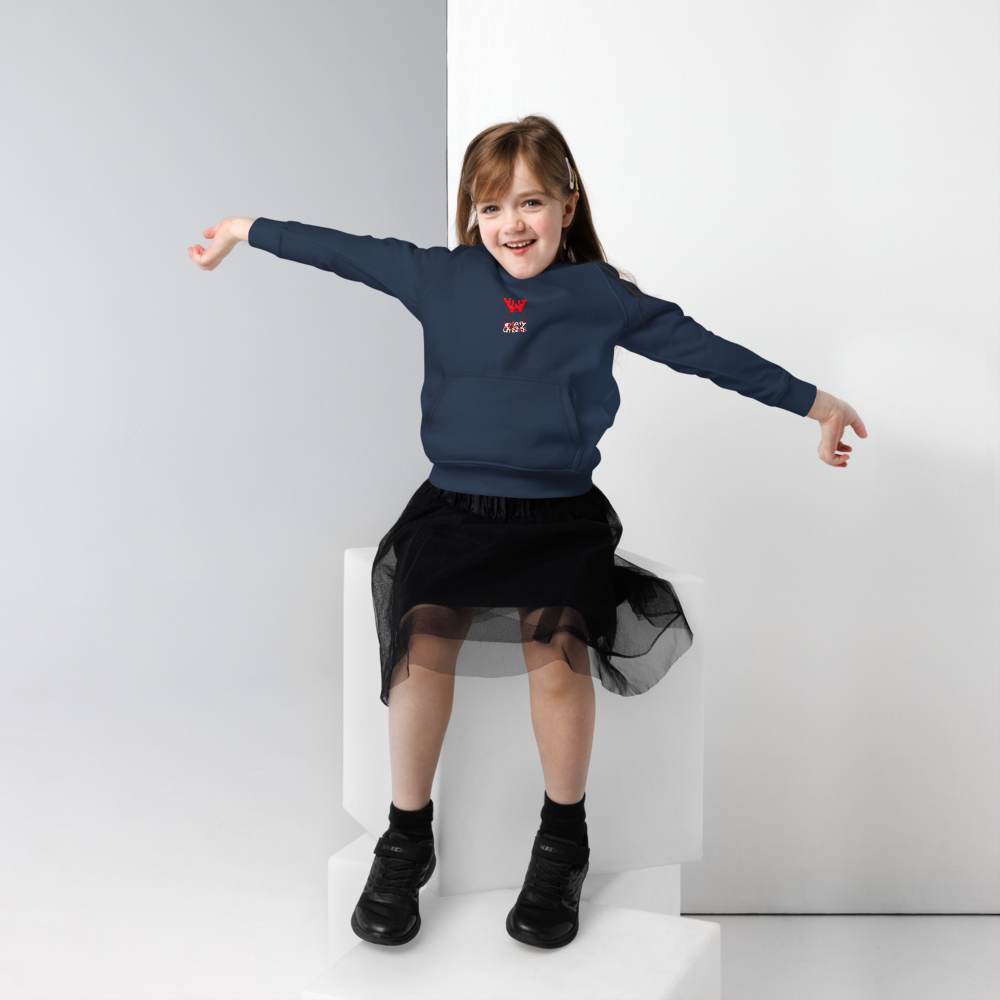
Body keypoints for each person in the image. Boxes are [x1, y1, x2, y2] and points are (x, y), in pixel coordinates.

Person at [188, 115, 865, 950]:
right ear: (472, 213)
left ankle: (562, 840)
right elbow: (345, 252)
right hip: (454, 511)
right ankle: (406, 837)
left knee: (559, 659)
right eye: (491, 206)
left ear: (567, 206)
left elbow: (706, 352)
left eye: (532, 202)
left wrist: (815, 404)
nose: (512, 223)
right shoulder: (441, 278)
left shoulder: (599, 296)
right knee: (419, 648)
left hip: (557, 517)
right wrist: (245, 229)